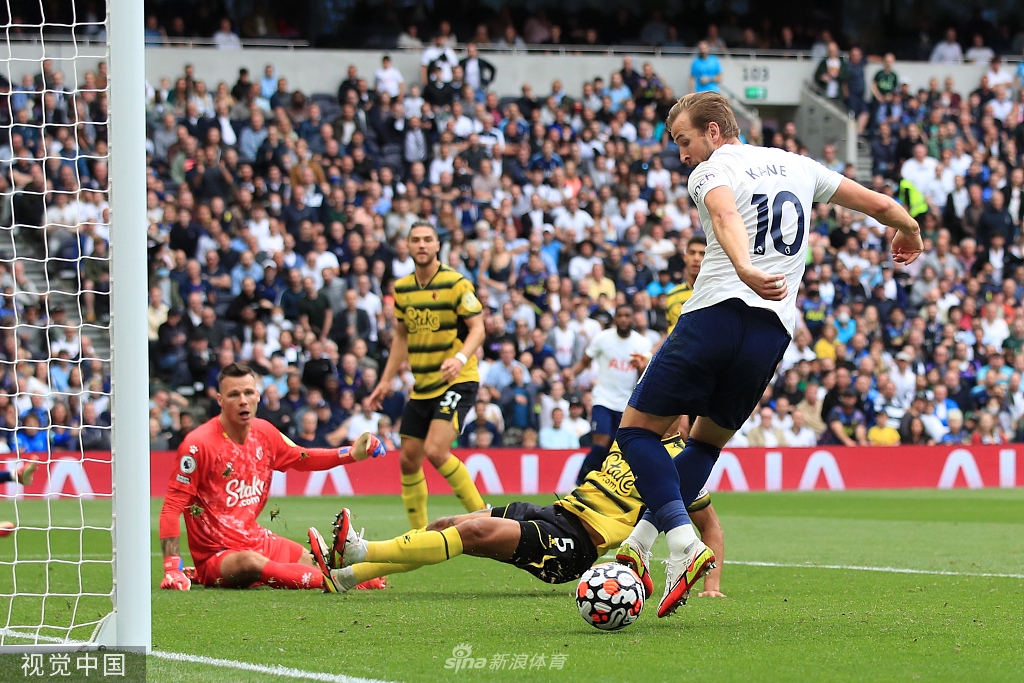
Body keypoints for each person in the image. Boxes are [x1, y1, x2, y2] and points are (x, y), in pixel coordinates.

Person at [614, 92, 923, 618]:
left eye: (684, 140)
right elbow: (877, 204)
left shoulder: (714, 170)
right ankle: (640, 544)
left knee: (637, 432)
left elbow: (725, 213)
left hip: (714, 314)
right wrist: (911, 228)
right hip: (771, 332)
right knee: (706, 444)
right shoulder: (799, 166)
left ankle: (685, 545)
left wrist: (744, 267)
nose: (682, 155)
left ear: (713, 131)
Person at [309, 430, 725, 598]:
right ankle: (348, 576)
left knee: (474, 533)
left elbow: (709, 525)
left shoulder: (683, 463)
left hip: (576, 545)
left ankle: (360, 551)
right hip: (557, 511)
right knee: (448, 524)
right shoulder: (632, 436)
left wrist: (711, 586)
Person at [158, 362, 385, 592]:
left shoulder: (265, 432)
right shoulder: (198, 445)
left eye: (248, 392)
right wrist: (172, 569)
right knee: (251, 562)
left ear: (258, 395)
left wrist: (350, 453)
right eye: (234, 394)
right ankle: (342, 583)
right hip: (218, 556)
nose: (243, 400)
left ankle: (353, 577)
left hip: (255, 539)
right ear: (220, 400)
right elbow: (171, 508)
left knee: (316, 561)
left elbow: (302, 457)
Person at [367, 221, 487, 530]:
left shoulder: (456, 283)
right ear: (407, 247)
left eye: (428, 240)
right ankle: (419, 533)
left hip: (456, 379)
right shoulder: (403, 289)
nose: (421, 245)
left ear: (437, 246)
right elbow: (401, 338)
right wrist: (384, 381)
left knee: (435, 450)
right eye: (415, 240)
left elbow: (478, 328)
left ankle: (484, 517)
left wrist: (460, 359)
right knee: (408, 459)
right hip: (422, 387)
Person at [567, 304, 652, 484]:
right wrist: (570, 374)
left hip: (628, 404)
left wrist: (640, 367)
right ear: (615, 318)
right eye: (620, 315)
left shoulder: (642, 344)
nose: (623, 319)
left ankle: (599, 488)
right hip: (603, 400)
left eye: (627, 315)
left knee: (617, 450)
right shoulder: (602, 339)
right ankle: (578, 484)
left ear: (632, 318)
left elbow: (644, 377)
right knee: (601, 443)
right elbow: (584, 360)